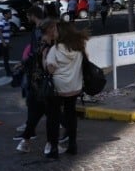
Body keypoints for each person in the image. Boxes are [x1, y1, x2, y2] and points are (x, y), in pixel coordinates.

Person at [15, 9, 58, 152]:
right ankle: (50, 146)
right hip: (45, 87)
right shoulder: (48, 47)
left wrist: (22, 64)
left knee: (34, 116)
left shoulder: (39, 43)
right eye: (55, 28)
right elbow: (48, 67)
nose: (57, 31)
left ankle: (24, 143)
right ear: (50, 30)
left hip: (35, 85)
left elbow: (32, 58)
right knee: (52, 117)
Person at [44, 21, 89, 158]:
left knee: (53, 117)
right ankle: (72, 145)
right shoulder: (79, 47)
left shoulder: (55, 49)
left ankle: (53, 148)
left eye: (56, 31)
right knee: (71, 115)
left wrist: (44, 59)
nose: (54, 33)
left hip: (58, 88)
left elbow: (50, 69)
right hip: (74, 87)